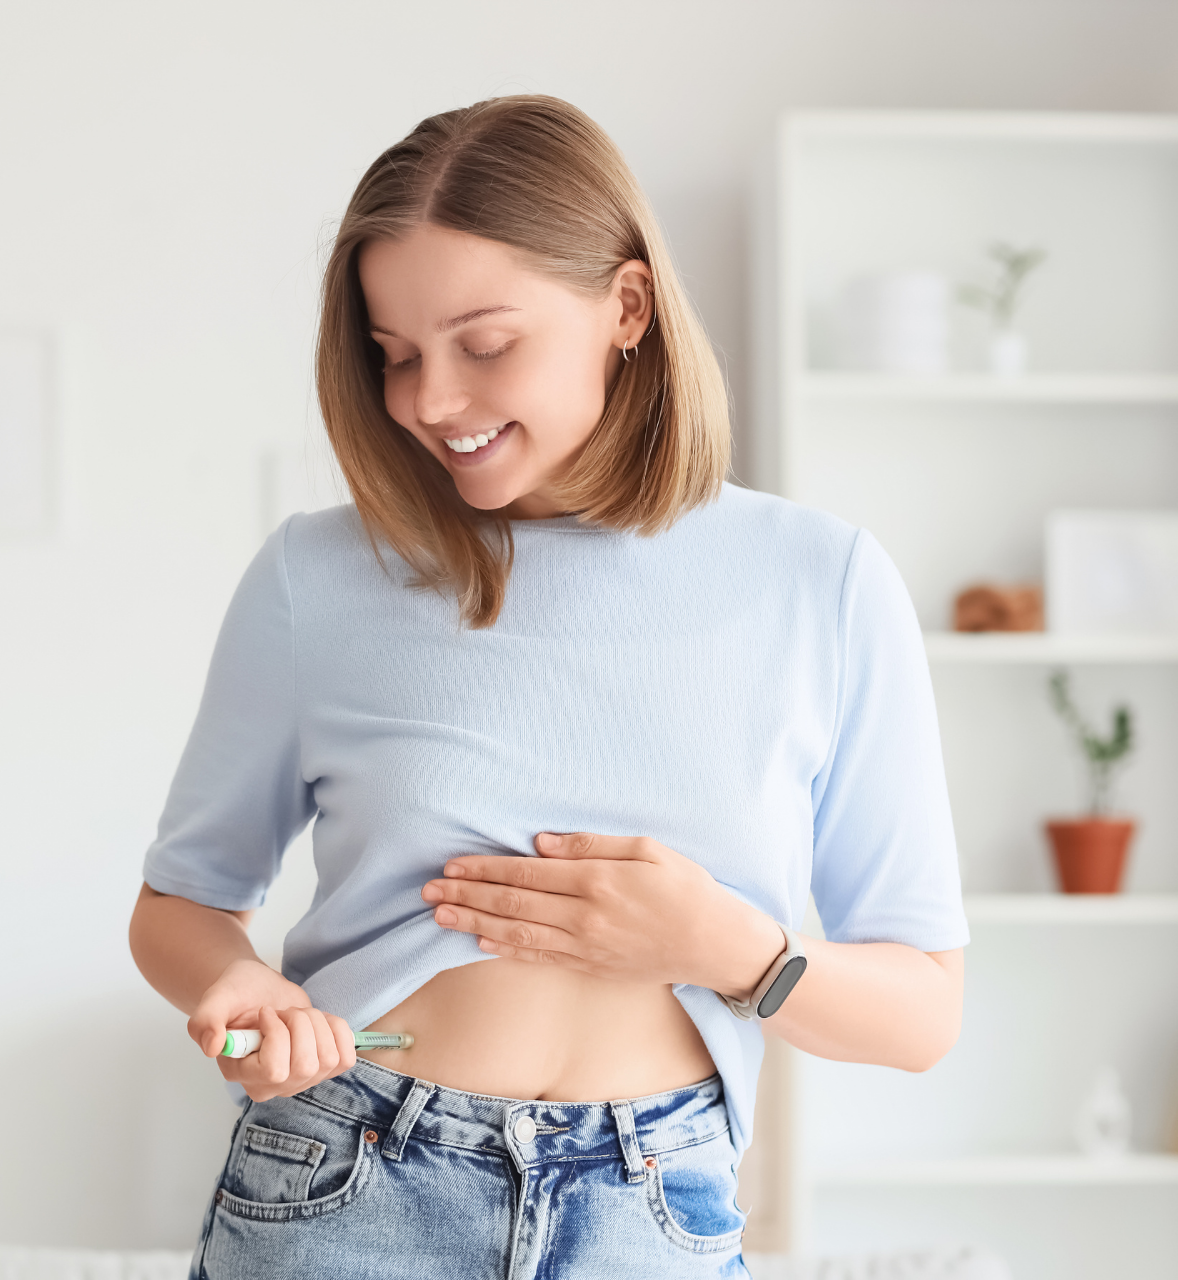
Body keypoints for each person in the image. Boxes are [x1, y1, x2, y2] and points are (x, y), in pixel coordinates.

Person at [128, 95, 967, 1279]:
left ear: (627, 306)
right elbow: (179, 908)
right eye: (396, 355)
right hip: (350, 1183)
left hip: (652, 1212)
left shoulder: (820, 582)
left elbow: (924, 1011)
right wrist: (243, 990)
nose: (427, 400)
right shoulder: (313, 578)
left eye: (484, 343)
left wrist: (730, 945)